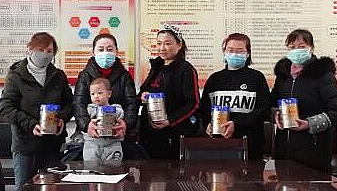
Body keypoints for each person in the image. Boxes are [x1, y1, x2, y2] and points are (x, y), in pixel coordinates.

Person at [0, 32, 74, 191]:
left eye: (49, 51)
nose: (45, 55)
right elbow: (5, 108)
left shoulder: (58, 76)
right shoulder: (16, 76)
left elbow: (70, 104)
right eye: (40, 50)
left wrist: (62, 118)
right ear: (29, 49)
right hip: (26, 146)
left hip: (53, 145)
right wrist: (31, 124)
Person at [270, 29, 337, 173]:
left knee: (310, 186)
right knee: (284, 186)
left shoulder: (323, 75)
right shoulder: (283, 76)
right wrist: (276, 115)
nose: (296, 50)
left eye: (301, 46)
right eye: (292, 47)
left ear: (311, 48)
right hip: (283, 151)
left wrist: (309, 124)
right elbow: (272, 103)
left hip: (313, 151)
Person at [200, 33, 271, 159]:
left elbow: (264, 110)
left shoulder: (257, 78)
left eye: (240, 51)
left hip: (250, 144)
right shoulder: (214, 79)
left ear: (248, 54)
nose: (234, 54)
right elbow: (204, 108)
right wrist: (208, 124)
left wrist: (236, 124)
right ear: (224, 52)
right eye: (230, 50)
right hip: (218, 144)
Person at [138, 24, 200, 159]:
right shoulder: (156, 67)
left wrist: (170, 121)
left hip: (173, 133)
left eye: (167, 43)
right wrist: (142, 96)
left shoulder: (186, 70)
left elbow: (193, 103)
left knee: (170, 169)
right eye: (159, 43)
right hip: (149, 132)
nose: (162, 48)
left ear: (179, 45)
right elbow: (142, 92)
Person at [73, 34, 137, 158]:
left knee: (115, 167)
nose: (105, 53)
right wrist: (86, 125)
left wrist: (126, 124)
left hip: (117, 138)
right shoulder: (85, 75)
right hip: (91, 139)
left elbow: (131, 103)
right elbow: (78, 103)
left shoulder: (124, 76)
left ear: (116, 51)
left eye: (109, 49)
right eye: (100, 49)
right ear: (93, 52)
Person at [83, 77, 125, 163]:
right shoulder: (89, 110)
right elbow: (84, 119)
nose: (96, 96)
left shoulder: (116, 109)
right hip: (92, 144)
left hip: (112, 144)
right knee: (91, 167)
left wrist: (111, 111)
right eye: (93, 94)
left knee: (114, 167)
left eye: (99, 93)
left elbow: (120, 117)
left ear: (109, 94)